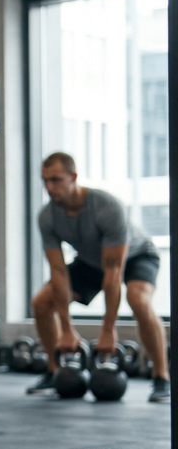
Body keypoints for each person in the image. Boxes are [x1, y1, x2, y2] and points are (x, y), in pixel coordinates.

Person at [28, 152, 170, 402]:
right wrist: (67, 330)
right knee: (41, 301)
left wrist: (108, 330)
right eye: (45, 181)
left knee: (138, 300)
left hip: (136, 256)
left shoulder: (106, 206)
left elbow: (114, 273)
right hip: (91, 261)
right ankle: (54, 370)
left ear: (73, 177)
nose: (49, 187)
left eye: (56, 180)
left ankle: (162, 377)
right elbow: (59, 273)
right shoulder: (48, 216)